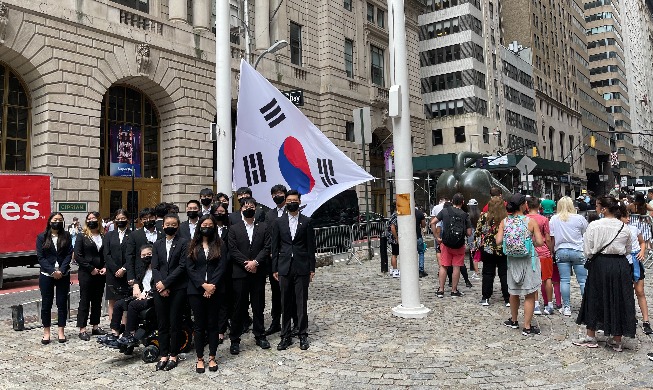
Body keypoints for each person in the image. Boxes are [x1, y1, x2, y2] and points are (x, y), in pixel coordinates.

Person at [574, 197, 636, 352]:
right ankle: (617, 339)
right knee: (618, 298)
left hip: (600, 264)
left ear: (603, 209)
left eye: (597, 206)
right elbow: (628, 249)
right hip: (619, 265)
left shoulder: (594, 225)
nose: (595, 208)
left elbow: (587, 249)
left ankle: (591, 336)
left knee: (594, 296)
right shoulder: (624, 227)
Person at [271, 189, 316, 351]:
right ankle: (285, 336)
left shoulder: (307, 221)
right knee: (285, 302)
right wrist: (274, 267)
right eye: (289, 200)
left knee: (301, 301)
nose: (291, 203)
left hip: (302, 266)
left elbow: (311, 247)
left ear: (299, 202)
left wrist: (312, 268)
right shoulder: (278, 222)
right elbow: (275, 247)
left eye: (294, 200)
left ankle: (303, 334)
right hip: (284, 267)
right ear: (285, 201)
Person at [496, 193, 544, 336]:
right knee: (529, 294)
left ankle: (514, 320)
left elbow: (498, 241)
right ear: (524, 205)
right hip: (528, 261)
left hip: (512, 261)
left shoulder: (504, 221)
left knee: (513, 292)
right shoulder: (530, 222)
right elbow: (540, 242)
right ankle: (527, 327)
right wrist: (531, 242)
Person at [228, 197, 271, 354]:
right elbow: (232, 250)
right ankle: (235, 339)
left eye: (252, 206)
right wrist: (247, 263)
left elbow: (267, 247)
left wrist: (256, 263)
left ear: (256, 208)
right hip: (240, 273)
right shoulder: (234, 228)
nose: (249, 208)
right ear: (241, 209)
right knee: (238, 307)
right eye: (246, 206)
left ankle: (260, 335)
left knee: (258, 305)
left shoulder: (264, 227)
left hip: (258, 273)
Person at [187, 215, 227, 373]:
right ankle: (199, 358)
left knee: (213, 325)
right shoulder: (192, 245)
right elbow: (189, 268)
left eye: (210, 225)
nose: (207, 227)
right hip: (196, 291)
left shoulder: (220, 244)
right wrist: (203, 285)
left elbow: (222, 266)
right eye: (204, 224)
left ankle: (212, 357)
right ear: (199, 226)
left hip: (215, 290)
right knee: (198, 325)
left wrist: (212, 286)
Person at [152, 213, 189, 371]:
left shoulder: (183, 243)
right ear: (163, 225)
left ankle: (173, 355)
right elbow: (155, 266)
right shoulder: (157, 244)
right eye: (167, 224)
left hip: (177, 288)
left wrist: (166, 284)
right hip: (159, 289)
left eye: (173, 224)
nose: (170, 226)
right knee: (162, 323)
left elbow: (182, 266)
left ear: (178, 226)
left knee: (175, 323)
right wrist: (160, 285)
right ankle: (163, 354)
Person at [264, 184, 297, 336]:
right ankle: (275, 322)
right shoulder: (269, 214)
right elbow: (268, 236)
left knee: (292, 292)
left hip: (290, 259)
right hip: (274, 259)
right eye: (275, 193)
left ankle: (295, 322)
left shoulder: (293, 212)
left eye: (280, 193)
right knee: (276, 292)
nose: (277, 195)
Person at [36, 212, 73, 344]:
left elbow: (69, 254)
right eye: (55, 219)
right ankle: (46, 332)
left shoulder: (67, 235)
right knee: (46, 304)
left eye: (60, 220)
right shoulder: (42, 237)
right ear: (50, 221)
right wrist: (52, 271)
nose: (57, 221)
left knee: (62, 303)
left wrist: (62, 270)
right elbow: (40, 257)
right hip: (47, 274)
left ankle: (61, 331)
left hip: (63, 274)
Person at [110, 245, 156, 349]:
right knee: (118, 304)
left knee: (133, 305)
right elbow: (137, 280)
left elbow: (158, 284)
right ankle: (115, 333)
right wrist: (136, 287)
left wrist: (148, 293)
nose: (146, 257)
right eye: (143, 255)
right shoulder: (143, 269)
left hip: (152, 297)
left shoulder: (158, 269)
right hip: (141, 295)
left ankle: (130, 333)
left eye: (149, 254)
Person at [549, 196, 588, 316]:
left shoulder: (554, 219)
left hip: (561, 251)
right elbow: (585, 234)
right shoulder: (579, 218)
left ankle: (566, 307)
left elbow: (552, 238)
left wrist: (551, 252)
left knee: (565, 280)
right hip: (577, 250)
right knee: (582, 281)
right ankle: (587, 306)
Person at [430, 193, 472, 298]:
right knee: (456, 267)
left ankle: (441, 290)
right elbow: (469, 233)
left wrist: (437, 237)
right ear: (462, 202)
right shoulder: (464, 215)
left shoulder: (445, 211)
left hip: (446, 243)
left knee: (443, 266)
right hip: (459, 245)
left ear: (452, 201)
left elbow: (432, 222)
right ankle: (454, 290)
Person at [75, 212, 107, 341]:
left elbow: (107, 254)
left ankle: (95, 325)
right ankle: (82, 328)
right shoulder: (82, 236)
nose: (91, 220)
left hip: (100, 273)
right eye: (89, 218)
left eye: (94, 218)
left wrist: (105, 267)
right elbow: (78, 255)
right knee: (85, 299)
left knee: (97, 299)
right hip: (86, 273)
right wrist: (91, 268)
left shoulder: (104, 236)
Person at [621, 210, 653, 335]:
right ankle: (631, 317)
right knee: (627, 292)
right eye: (625, 216)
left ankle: (646, 321)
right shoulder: (617, 230)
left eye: (628, 216)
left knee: (640, 291)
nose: (628, 219)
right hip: (624, 261)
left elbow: (642, 241)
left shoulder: (634, 229)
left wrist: (641, 251)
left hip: (635, 261)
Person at [475, 197, 510, 307]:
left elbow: (478, 232)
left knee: (488, 273)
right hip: (503, 248)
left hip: (488, 249)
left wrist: (477, 246)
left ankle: (485, 297)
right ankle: (507, 298)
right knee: (504, 273)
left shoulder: (484, 217)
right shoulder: (506, 218)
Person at [526, 197, 555, 316]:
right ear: (539, 207)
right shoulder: (544, 219)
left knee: (533, 279)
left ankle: (536, 304)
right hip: (543, 252)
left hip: (530, 252)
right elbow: (547, 238)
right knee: (547, 278)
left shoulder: (525, 219)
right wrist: (550, 250)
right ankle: (549, 304)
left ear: (527, 206)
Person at [103, 209, 132, 322]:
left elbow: (132, 255)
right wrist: (115, 269)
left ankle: (124, 326)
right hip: (112, 272)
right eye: (118, 219)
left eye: (123, 218)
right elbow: (106, 253)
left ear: (127, 220)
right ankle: (113, 326)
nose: (120, 221)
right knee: (112, 300)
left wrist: (124, 268)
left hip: (126, 272)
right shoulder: (109, 235)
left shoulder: (132, 234)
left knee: (125, 300)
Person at [125, 208, 163, 287]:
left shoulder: (162, 233)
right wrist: (131, 276)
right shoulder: (134, 235)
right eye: (145, 219)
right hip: (140, 273)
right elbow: (130, 256)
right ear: (141, 221)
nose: (148, 220)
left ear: (155, 218)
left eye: (151, 217)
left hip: (159, 271)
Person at [211, 203, 231, 343]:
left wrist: (224, 261)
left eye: (222, 211)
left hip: (226, 269)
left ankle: (220, 330)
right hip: (209, 269)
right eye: (217, 211)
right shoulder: (208, 228)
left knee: (223, 301)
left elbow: (232, 247)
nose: (219, 213)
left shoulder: (230, 228)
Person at [467, 199, 481, 280]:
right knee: (478, 252)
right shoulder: (480, 215)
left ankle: (476, 271)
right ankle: (477, 270)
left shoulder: (468, 215)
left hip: (471, 235)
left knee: (473, 254)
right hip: (479, 234)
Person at [387, 207, 400, 278]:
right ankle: (395, 270)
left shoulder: (393, 215)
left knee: (394, 254)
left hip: (391, 237)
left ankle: (393, 270)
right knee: (395, 254)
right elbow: (393, 227)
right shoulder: (395, 216)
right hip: (394, 238)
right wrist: (396, 238)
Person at [415, 204, 427, 278]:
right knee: (421, 252)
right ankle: (421, 270)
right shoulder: (419, 213)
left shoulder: (406, 212)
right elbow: (423, 225)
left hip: (408, 237)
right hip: (418, 236)